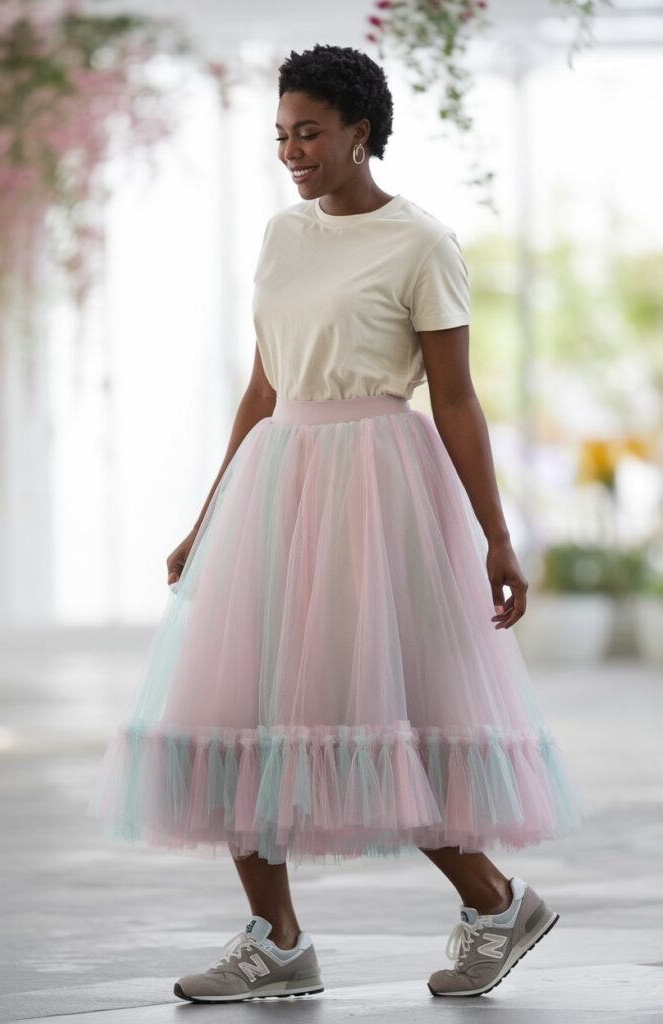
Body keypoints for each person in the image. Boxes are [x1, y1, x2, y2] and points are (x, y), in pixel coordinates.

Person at [87, 43, 583, 1004]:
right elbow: (263, 387)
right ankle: (276, 942)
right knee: (231, 712)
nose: (291, 150)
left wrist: (495, 535)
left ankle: (493, 902)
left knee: (377, 711)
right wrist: (208, 514)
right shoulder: (282, 236)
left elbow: (455, 402)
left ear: (362, 132)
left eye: (309, 131)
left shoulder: (422, 243)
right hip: (278, 483)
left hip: (375, 487)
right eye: (280, 134)